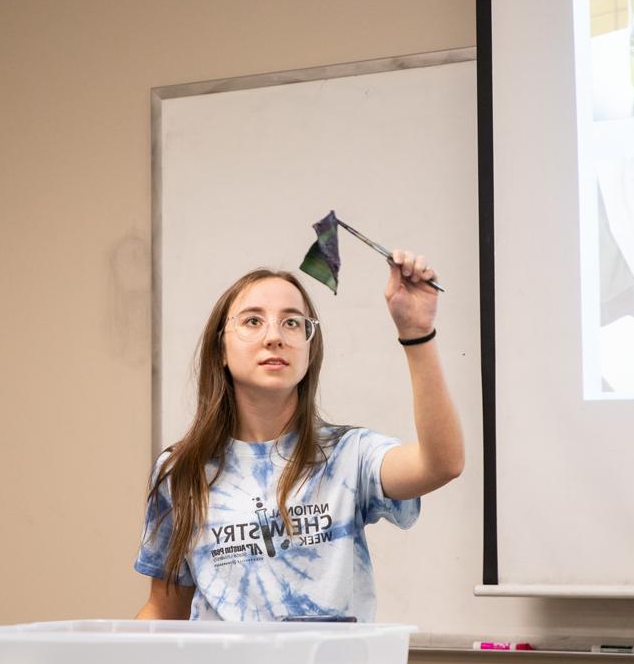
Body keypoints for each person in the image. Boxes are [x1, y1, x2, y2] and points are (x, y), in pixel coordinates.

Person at [134, 250, 464, 621]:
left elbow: (441, 464)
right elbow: (165, 610)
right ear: (221, 349)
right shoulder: (182, 472)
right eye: (253, 321)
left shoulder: (347, 456)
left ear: (310, 349)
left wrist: (417, 334)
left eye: (292, 323)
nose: (275, 337)